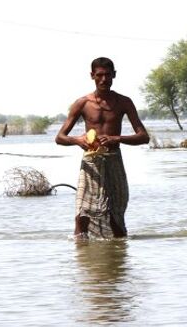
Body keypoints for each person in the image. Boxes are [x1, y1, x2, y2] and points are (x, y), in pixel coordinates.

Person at [56, 57, 149, 239]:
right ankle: (82, 254)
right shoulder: (82, 103)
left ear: (114, 75)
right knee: (82, 212)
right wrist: (78, 140)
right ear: (92, 76)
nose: (104, 80)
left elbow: (143, 137)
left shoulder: (123, 102)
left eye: (108, 75)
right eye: (99, 75)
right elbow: (60, 137)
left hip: (114, 159)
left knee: (116, 213)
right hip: (90, 162)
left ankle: (118, 254)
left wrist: (117, 138)